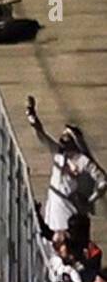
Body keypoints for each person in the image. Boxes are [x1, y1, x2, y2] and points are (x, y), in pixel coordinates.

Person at [27, 98, 107, 232]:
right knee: (48, 237)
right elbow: (42, 136)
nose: (63, 138)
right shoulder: (59, 154)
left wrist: (89, 201)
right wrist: (32, 117)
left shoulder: (82, 160)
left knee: (63, 238)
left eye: (67, 136)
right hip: (53, 203)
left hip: (67, 207)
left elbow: (103, 181)